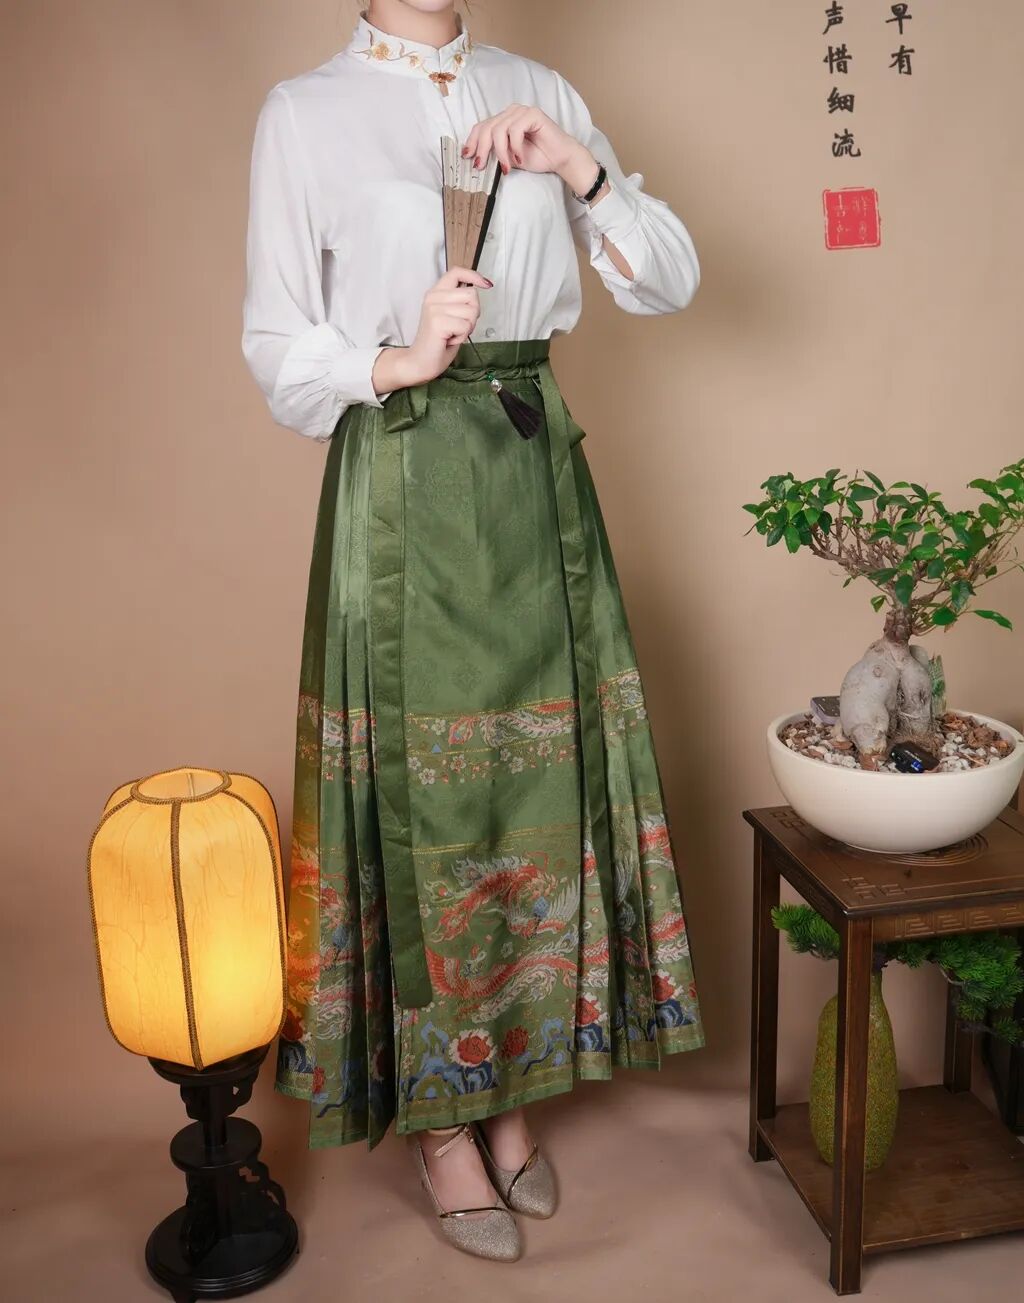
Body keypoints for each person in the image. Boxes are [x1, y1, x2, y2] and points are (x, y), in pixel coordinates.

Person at [242, 0, 705, 1263]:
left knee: (528, 781)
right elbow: (275, 342)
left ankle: (511, 1084)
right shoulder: (307, 113)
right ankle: (442, 1116)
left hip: (530, 461)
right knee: (426, 789)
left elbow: (668, 279)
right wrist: (394, 360)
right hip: (404, 469)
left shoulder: (535, 85)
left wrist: (575, 163)